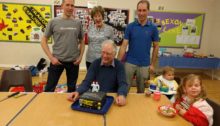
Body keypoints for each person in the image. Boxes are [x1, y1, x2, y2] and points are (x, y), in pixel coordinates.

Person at [41, 0, 85, 92]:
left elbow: (82, 41)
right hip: (57, 61)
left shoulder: (77, 23)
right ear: (62, 6)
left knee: (72, 89)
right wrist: (51, 58)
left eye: (72, 5)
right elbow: (43, 40)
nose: (70, 8)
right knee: (49, 88)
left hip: (74, 62)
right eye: (67, 5)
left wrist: (80, 57)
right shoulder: (53, 21)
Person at [68, 40, 128, 106]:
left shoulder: (119, 65)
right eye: (103, 52)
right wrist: (78, 92)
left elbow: (123, 84)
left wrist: (122, 95)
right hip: (96, 98)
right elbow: (87, 82)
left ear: (114, 54)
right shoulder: (95, 64)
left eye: (108, 53)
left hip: (112, 99)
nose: (104, 56)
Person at [117, 0, 159, 93]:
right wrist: (118, 62)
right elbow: (124, 45)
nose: (141, 13)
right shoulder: (130, 26)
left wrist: (152, 64)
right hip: (130, 63)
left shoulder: (153, 28)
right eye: (139, 10)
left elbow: (156, 46)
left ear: (148, 11)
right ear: (137, 11)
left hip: (145, 65)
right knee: (125, 87)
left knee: (141, 90)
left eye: (144, 10)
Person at [85, 6, 114, 70]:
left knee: (103, 79)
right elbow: (90, 42)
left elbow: (113, 46)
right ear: (93, 17)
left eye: (99, 16)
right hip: (90, 59)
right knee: (90, 79)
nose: (97, 18)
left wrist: (111, 60)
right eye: (95, 16)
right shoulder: (90, 28)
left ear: (102, 16)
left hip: (104, 60)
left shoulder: (109, 29)